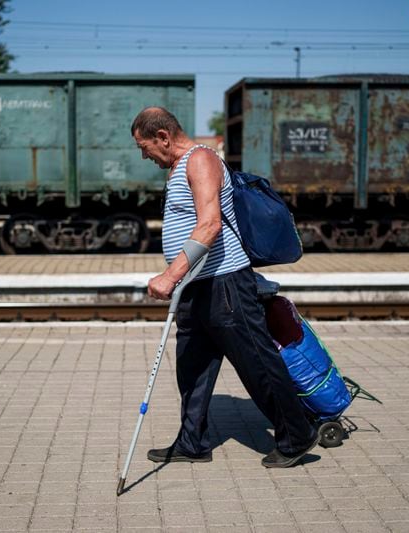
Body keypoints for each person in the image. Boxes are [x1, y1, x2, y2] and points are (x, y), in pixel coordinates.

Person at [130, 106, 319, 468]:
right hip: (197, 285)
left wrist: (170, 275)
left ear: (163, 137)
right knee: (193, 367)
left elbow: (210, 225)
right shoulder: (178, 167)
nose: (144, 155)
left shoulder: (200, 160)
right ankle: (192, 442)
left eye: (144, 147)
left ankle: (297, 434)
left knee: (257, 362)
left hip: (226, 283)